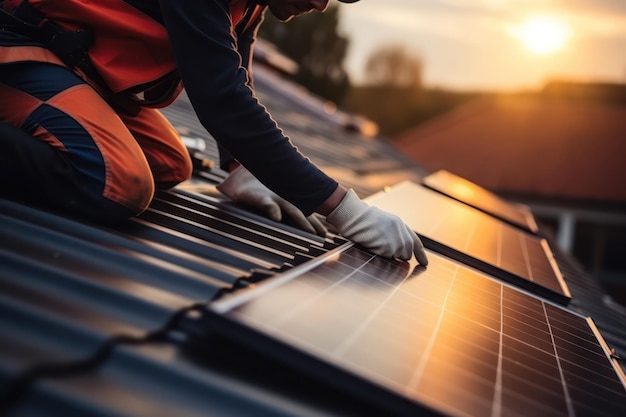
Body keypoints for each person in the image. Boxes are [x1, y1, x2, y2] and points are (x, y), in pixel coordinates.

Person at [0, 0, 428, 265]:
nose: (320, 5)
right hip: (20, 47)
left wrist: (241, 166)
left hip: (75, 67)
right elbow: (221, 98)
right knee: (118, 183)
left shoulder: (251, 4)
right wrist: (346, 211)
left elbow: (236, 71)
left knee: (170, 164)